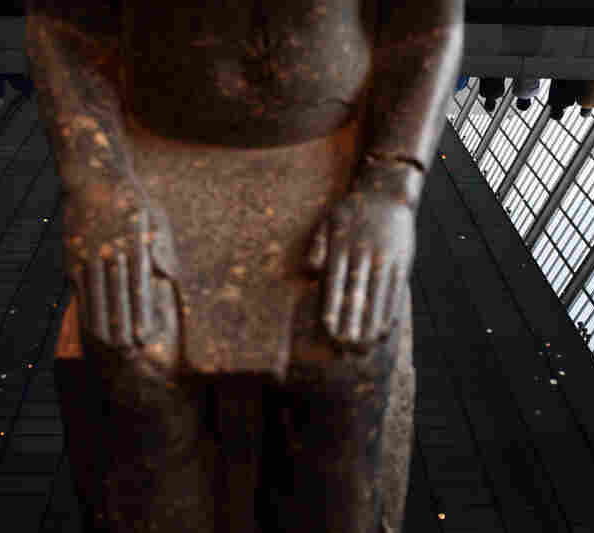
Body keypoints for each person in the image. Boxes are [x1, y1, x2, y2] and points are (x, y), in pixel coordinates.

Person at [28, 1, 463, 532]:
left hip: (326, 158)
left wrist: (390, 185)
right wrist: (98, 184)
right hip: (153, 154)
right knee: (134, 352)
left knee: (342, 351)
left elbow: (425, 30)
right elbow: (64, 27)